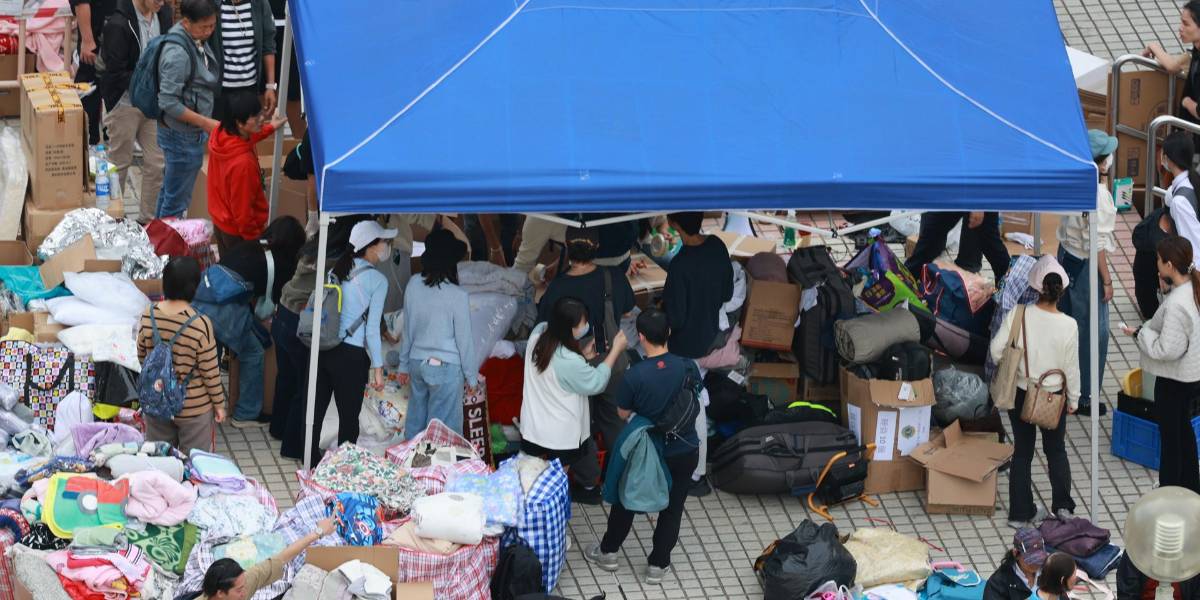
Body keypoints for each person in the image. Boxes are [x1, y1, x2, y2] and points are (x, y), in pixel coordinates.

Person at [584, 308, 700, 585]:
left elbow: (622, 414)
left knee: (626, 501)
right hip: (685, 447)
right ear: (669, 333)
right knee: (672, 509)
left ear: (642, 337)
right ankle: (658, 566)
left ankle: (608, 552)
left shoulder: (634, 374)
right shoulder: (687, 365)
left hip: (649, 449)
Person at [537, 226, 636, 495]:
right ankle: (622, 479)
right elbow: (627, 311)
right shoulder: (612, 276)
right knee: (614, 421)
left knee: (581, 427)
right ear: (597, 248)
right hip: (612, 361)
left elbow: (543, 324)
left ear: (567, 248)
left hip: (576, 366)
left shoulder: (558, 286)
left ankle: (590, 482)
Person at [989, 255, 1080, 529]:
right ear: (1060, 290)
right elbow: (1071, 367)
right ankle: (1063, 507)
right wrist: (1073, 399)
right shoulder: (1069, 325)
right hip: (1053, 397)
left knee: (1022, 452)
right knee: (1056, 451)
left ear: (1037, 288)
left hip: (1021, 392)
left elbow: (996, 351)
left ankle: (1020, 513)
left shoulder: (1019, 313)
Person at [275, 215, 374, 457]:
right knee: (304, 391)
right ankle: (294, 447)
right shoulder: (336, 261)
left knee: (287, 378)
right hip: (305, 320)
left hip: (285, 314)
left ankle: (279, 430)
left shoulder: (317, 243)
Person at [194, 217, 305, 428]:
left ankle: (198, 410)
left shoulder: (249, 246)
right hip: (223, 309)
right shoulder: (281, 264)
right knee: (252, 351)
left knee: (206, 356)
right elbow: (273, 305)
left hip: (201, 297)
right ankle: (245, 413)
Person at [520, 297, 629, 503]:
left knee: (530, 482)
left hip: (534, 427)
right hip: (561, 436)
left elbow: (561, 370)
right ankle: (551, 522)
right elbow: (596, 383)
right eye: (582, 323)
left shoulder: (538, 337)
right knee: (554, 486)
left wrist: (582, 357)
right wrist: (615, 350)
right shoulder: (568, 361)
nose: (585, 326)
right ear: (569, 328)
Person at [306, 220, 394, 467]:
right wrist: (377, 367)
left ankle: (311, 460)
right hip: (351, 357)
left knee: (317, 411)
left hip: (324, 349)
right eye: (383, 242)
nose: (386, 246)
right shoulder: (377, 280)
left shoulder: (336, 269)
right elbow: (373, 329)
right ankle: (344, 468)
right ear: (371, 246)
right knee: (348, 418)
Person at [662, 211, 733, 497]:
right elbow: (727, 291)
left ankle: (696, 472)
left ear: (675, 225)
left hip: (686, 346)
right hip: (712, 336)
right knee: (695, 402)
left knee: (693, 407)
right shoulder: (716, 245)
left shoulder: (680, 265)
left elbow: (675, 319)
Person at [1123, 236, 1200, 493]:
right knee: (1183, 429)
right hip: (1192, 375)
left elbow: (1166, 349)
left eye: (1158, 260)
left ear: (1169, 265)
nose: (1156, 264)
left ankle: (1169, 487)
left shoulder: (1178, 303)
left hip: (1174, 378)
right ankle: (1190, 484)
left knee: (1171, 436)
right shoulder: (1193, 290)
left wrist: (1140, 334)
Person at [1057, 129, 1119, 417]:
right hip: (1086, 270)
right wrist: (1107, 280)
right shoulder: (1100, 196)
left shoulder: (1071, 181)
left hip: (1065, 258)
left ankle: (1064, 383)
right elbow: (1098, 246)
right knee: (1094, 333)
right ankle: (1084, 395)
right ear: (1101, 162)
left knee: (1067, 325)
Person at [137, 256, 225, 454]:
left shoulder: (148, 314)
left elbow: (142, 355)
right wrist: (219, 404)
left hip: (156, 401)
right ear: (194, 287)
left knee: (160, 463)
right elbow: (210, 372)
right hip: (193, 408)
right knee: (194, 464)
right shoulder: (200, 324)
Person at [396, 229, 477, 439]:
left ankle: (411, 468)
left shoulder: (413, 284)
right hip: (447, 366)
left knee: (415, 425)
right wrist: (471, 378)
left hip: (416, 362)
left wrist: (403, 365)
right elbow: (464, 341)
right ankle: (437, 471)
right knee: (442, 434)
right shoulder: (458, 295)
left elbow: (408, 329)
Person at [98, 0, 171, 224]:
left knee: (156, 162)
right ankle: (111, 219)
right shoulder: (119, 23)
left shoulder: (164, 15)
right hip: (124, 103)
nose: (162, 2)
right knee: (119, 163)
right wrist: (146, 81)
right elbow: (114, 71)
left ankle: (147, 221)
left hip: (152, 104)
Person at [155, 0, 221, 219]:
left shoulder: (193, 38)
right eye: (204, 27)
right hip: (181, 137)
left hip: (184, 133)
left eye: (213, 25)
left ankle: (156, 241)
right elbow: (168, 102)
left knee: (169, 193)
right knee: (176, 202)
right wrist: (205, 122)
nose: (210, 31)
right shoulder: (178, 54)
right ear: (186, 22)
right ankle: (166, 249)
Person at [207, 90, 288, 253]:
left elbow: (249, 138)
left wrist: (271, 127)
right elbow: (243, 213)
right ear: (239, 123)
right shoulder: (243, 164)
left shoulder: (221, 133)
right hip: (240, 234)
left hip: (221, 223)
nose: (262, 118)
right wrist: (257, 244)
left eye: (260, 113)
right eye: (255, 116)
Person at [190, 517, 334, 599]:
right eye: (239, 590)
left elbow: (282, 558)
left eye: (244, 586)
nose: (244, 592)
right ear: (220, 593)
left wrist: (318, 532)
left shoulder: (243, 584)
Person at [208, 0, 278, 118]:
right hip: (219, 91)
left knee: (247, 134)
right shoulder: (213, 4)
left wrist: (270, 86)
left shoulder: (260, 4)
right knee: (221, 134)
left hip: (249, 89)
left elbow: (268, 46)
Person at [904, 211, 1010, 283]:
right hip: (954, 184)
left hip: (979, 187)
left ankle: (1011, 291)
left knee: (990, 242)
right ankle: (904, 280)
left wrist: (979, 204)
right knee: (932, 237)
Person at [1143, 2, 1200, 134]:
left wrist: (1186, 102)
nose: (1180, 28)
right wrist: (1153, 46)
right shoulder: (1196, 51)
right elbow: (1173, 66)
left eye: (1186, 24)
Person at [69, 0, 116, 145]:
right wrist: (88, 40)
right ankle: (88, 138)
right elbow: (81, 2)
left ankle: (113, 135)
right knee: (90, 86)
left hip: (117, 28)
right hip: (97, 30)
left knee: (116, 82)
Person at [984, 528, 1049, 600]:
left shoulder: (1050, 568)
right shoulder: (997, 583)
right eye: (1030, 560)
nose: (1035, 564)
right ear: (1015, 553)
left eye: (1039, 558)